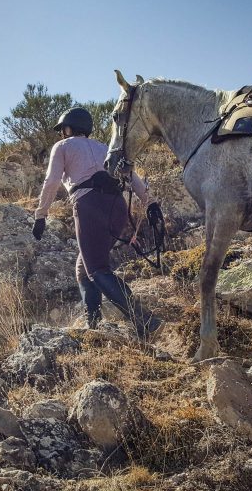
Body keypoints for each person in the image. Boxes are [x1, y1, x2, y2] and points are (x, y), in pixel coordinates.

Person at [32, 107, 163, 338]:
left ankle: (145, 320)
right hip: (117, 207)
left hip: (89, 205)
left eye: (63, 129)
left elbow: (51, 181)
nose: (62, 133)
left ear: (69, 128)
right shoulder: (105, 147)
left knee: (97, 269)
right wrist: (150, 203)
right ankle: (94, 325)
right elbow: (131, 176)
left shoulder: (62, 146)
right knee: (84, 269)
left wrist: (41, 215)